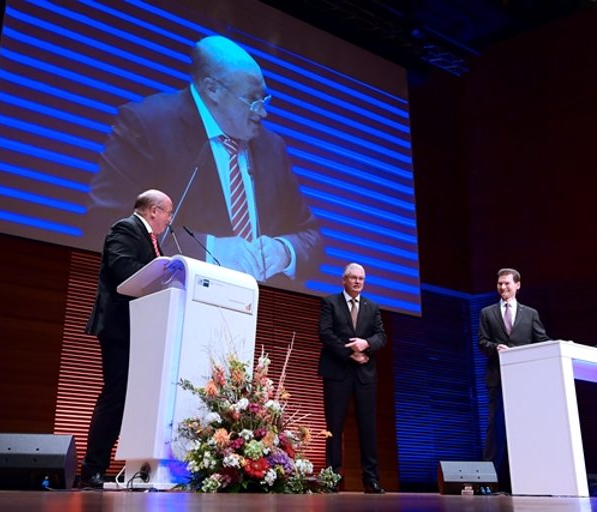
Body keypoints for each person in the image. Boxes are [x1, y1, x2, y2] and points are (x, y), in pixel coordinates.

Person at [86, 35, 321, 285]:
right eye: (253, 100)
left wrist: (284, 251)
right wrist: (209, 250)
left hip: (257, 306)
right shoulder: (146, 124)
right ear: (212, 89)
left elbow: (310, 235)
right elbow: (107, 220)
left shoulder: (272, 147)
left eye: (264, 100)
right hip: (173, 296)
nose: (262, 112)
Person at [80, 189, 174, 488]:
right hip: (120, 328)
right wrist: (161, 276)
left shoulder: (150, 238)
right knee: (115, 395)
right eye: (168, 213)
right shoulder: (125, 228)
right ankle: (92, 468)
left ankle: (128, 467)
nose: (169, 220)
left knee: (130, 399)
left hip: (141, 330)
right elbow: (122, 269)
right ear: (154, 211)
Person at [478, 267, 550, 493]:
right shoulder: (487, 313)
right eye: (500, 284)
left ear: (517, 285)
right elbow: (482, 342)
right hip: (497, 377)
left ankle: (522, 479)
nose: (503, 287)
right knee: (495, 428)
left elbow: (541, 340)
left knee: (523, 429)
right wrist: (494, 347)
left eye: (507, 284)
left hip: (524, 380)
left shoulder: (531, 314)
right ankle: (487, 482)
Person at [318, 263, 387, 494]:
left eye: (361, 278)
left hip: (365, 375)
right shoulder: (330, 303)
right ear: (344, 280)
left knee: (368, 428)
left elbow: (381, 336)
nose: (358, 281)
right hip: (337, 372)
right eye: (353, 277)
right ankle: (332, 477)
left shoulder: (372, 307)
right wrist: (351, 352)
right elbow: (325, 333)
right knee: (334, 428)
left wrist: (366, 344)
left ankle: (371, 479)